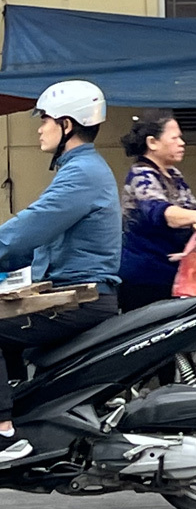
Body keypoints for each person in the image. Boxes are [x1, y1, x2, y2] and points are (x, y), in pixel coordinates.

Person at [0, 81, 121, 464]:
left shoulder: (82, 174)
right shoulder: (79, 171)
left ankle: (3, 435)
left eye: (45, 120)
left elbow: (29, 227)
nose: (39, 128)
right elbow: (34, 245)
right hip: (66, 294)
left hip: (79, 300)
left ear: (66, 125)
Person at [118, 111, 196, 314]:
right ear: (153, 142)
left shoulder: (174, 174)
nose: (182, 143)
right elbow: (160, 212)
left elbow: (192, 207)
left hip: (173, 274)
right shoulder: (141, 174)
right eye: (175, 138)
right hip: (146, 276)